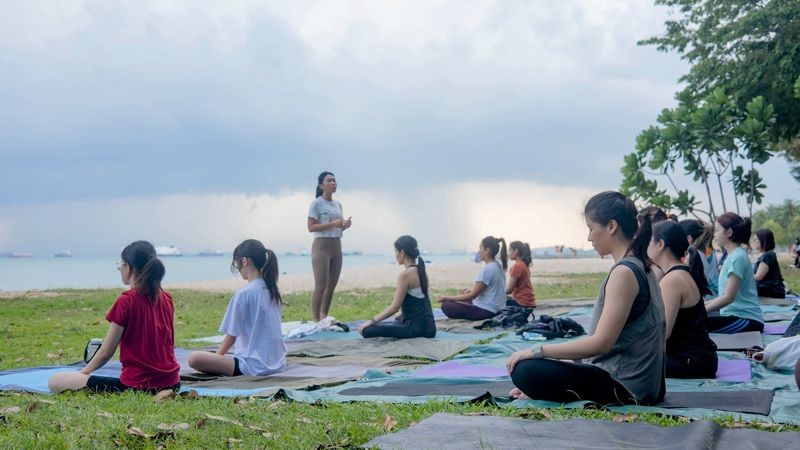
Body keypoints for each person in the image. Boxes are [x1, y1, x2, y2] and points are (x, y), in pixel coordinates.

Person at [506, 191, 665, 406]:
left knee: (524, 369)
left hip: (627, 388)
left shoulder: (624, 273)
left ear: (611, 226)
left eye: (591, 229)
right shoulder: (643, 265)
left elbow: (601, 344)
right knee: (540, 368)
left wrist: (537, 351)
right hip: (643, 385)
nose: (589, 237)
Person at [48, 241, 180, 394]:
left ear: (129, 267)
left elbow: (105, 353)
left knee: (55, 380)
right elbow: (168, 343)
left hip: (138, 386)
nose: (119, 267)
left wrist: (82, 374)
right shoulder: (166, 298)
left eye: (121, 263)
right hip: (173, 383)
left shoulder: (127, 301)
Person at [187, 240, 286, 376]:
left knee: (194, 358)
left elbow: (231, 337)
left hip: (252, 367)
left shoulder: (244, 293)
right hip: (278, 364)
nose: (238, 268)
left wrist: (217, 359)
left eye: (237, 263)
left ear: (244, 261)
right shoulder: (273, 290)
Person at [648, 221, 718, 378]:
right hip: (700, 358)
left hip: (692, 361)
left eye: (648, 242)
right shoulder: (679, 272)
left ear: (660, 244)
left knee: (626, 362)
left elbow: (662, 333)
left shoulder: (672, 279)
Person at [358, 236, 436, 339]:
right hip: (430, 328)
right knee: (398, 319)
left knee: (367, 330)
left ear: (402, 253)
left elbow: (394, 308)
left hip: (416, 330)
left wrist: (370, 321)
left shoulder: (405, 275)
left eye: (396, 252)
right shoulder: (422, 271)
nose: (395, 255)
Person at [704, 213, 764, 333]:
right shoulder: (733, 255)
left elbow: (729, 297)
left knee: (696, 325)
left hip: (747, 319)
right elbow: (724, 296)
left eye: (716, 230)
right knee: (694, 321)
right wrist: (701, 306)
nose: (714, 234)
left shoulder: (738, 257)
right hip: (736, 316)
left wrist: (699, 311)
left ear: (729, 232)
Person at [307, 171, 351, 323]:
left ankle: (324, 315)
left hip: (336, 245)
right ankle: (315, 319)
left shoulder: (338, 204)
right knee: (321, 285)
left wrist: (344, 226)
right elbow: (311, 227)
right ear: (321, 185)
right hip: (321, 247)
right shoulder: (316, 203)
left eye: (334, 181)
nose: (333, 183)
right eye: (329, 181)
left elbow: (337, 227)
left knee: (331, 285)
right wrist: (333, 223)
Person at [438, 236, 508, 320]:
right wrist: (471, 289)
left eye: (480, 248)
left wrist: (447, 297)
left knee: (447, 305)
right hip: (497, 309)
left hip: (487, 312)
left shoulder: (488, 269)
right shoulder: (497, 266)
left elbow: (472, 296)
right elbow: (489, 288)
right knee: (463, 297)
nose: (479, 251)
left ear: (487, 250)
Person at [679, 219, 719, 298]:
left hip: (708, 296)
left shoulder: (694, 255)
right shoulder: (704, 251)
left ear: (689, 238)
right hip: (711, 294)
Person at [752, 229, 786, 298]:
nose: (753, 242)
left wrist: (742, 277)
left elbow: (758, 277)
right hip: (768, 290)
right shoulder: (768, 255)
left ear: (763, 240)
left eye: (755, 239)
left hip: (770, 292)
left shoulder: (768, 256)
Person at [505, 241, 536, 308]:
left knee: (497, 301)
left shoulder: (517, 266)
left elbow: (509, 290)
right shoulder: (523, 264)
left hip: (522, 302)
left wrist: (497, 293)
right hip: (528, 301)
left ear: (516, 251)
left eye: (510, 250)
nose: (508, 253)